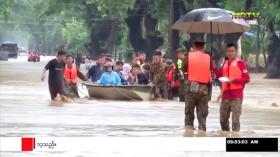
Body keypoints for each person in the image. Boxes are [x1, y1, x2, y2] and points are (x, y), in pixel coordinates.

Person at [213, 43, 250, 132]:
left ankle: (234, 137)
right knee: (223, 120)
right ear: (226, 52)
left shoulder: (241, 64)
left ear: (236, 52)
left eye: (232, 51)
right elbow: (220, 75)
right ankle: (225, 137)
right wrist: (214, 67)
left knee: (235, 121)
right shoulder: (225, 63)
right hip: (225, 95)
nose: (230, 53)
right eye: (228, 51)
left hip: (236, 96)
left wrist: (233, 80)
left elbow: (247, 79)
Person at [184, 39, 213, 132]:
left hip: (191, 87)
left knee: (189, 113)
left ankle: (188, 131)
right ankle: (202, 131)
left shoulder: (188, 56)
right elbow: (211, 69)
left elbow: (183, 67)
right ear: (203, 47)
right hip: (204, 89)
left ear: (194, 46)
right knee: (202, 115)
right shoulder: (209, 57)